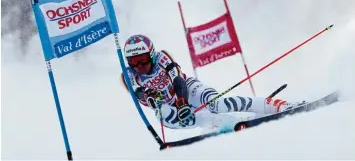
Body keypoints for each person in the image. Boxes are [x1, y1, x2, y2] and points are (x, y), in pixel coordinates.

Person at [121, 34, 304, 130]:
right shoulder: (128, 74)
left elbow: (177, 78)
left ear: (152, 55)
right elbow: (136, 90)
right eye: (133, 62)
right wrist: (147, 94)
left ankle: (277, 106)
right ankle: (227, 123)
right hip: (169, 108)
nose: (139, 66)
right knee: (166, 116)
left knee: (217, 104)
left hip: (187, 91)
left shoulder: (162, 57)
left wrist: (182, 101)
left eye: (143, 59)